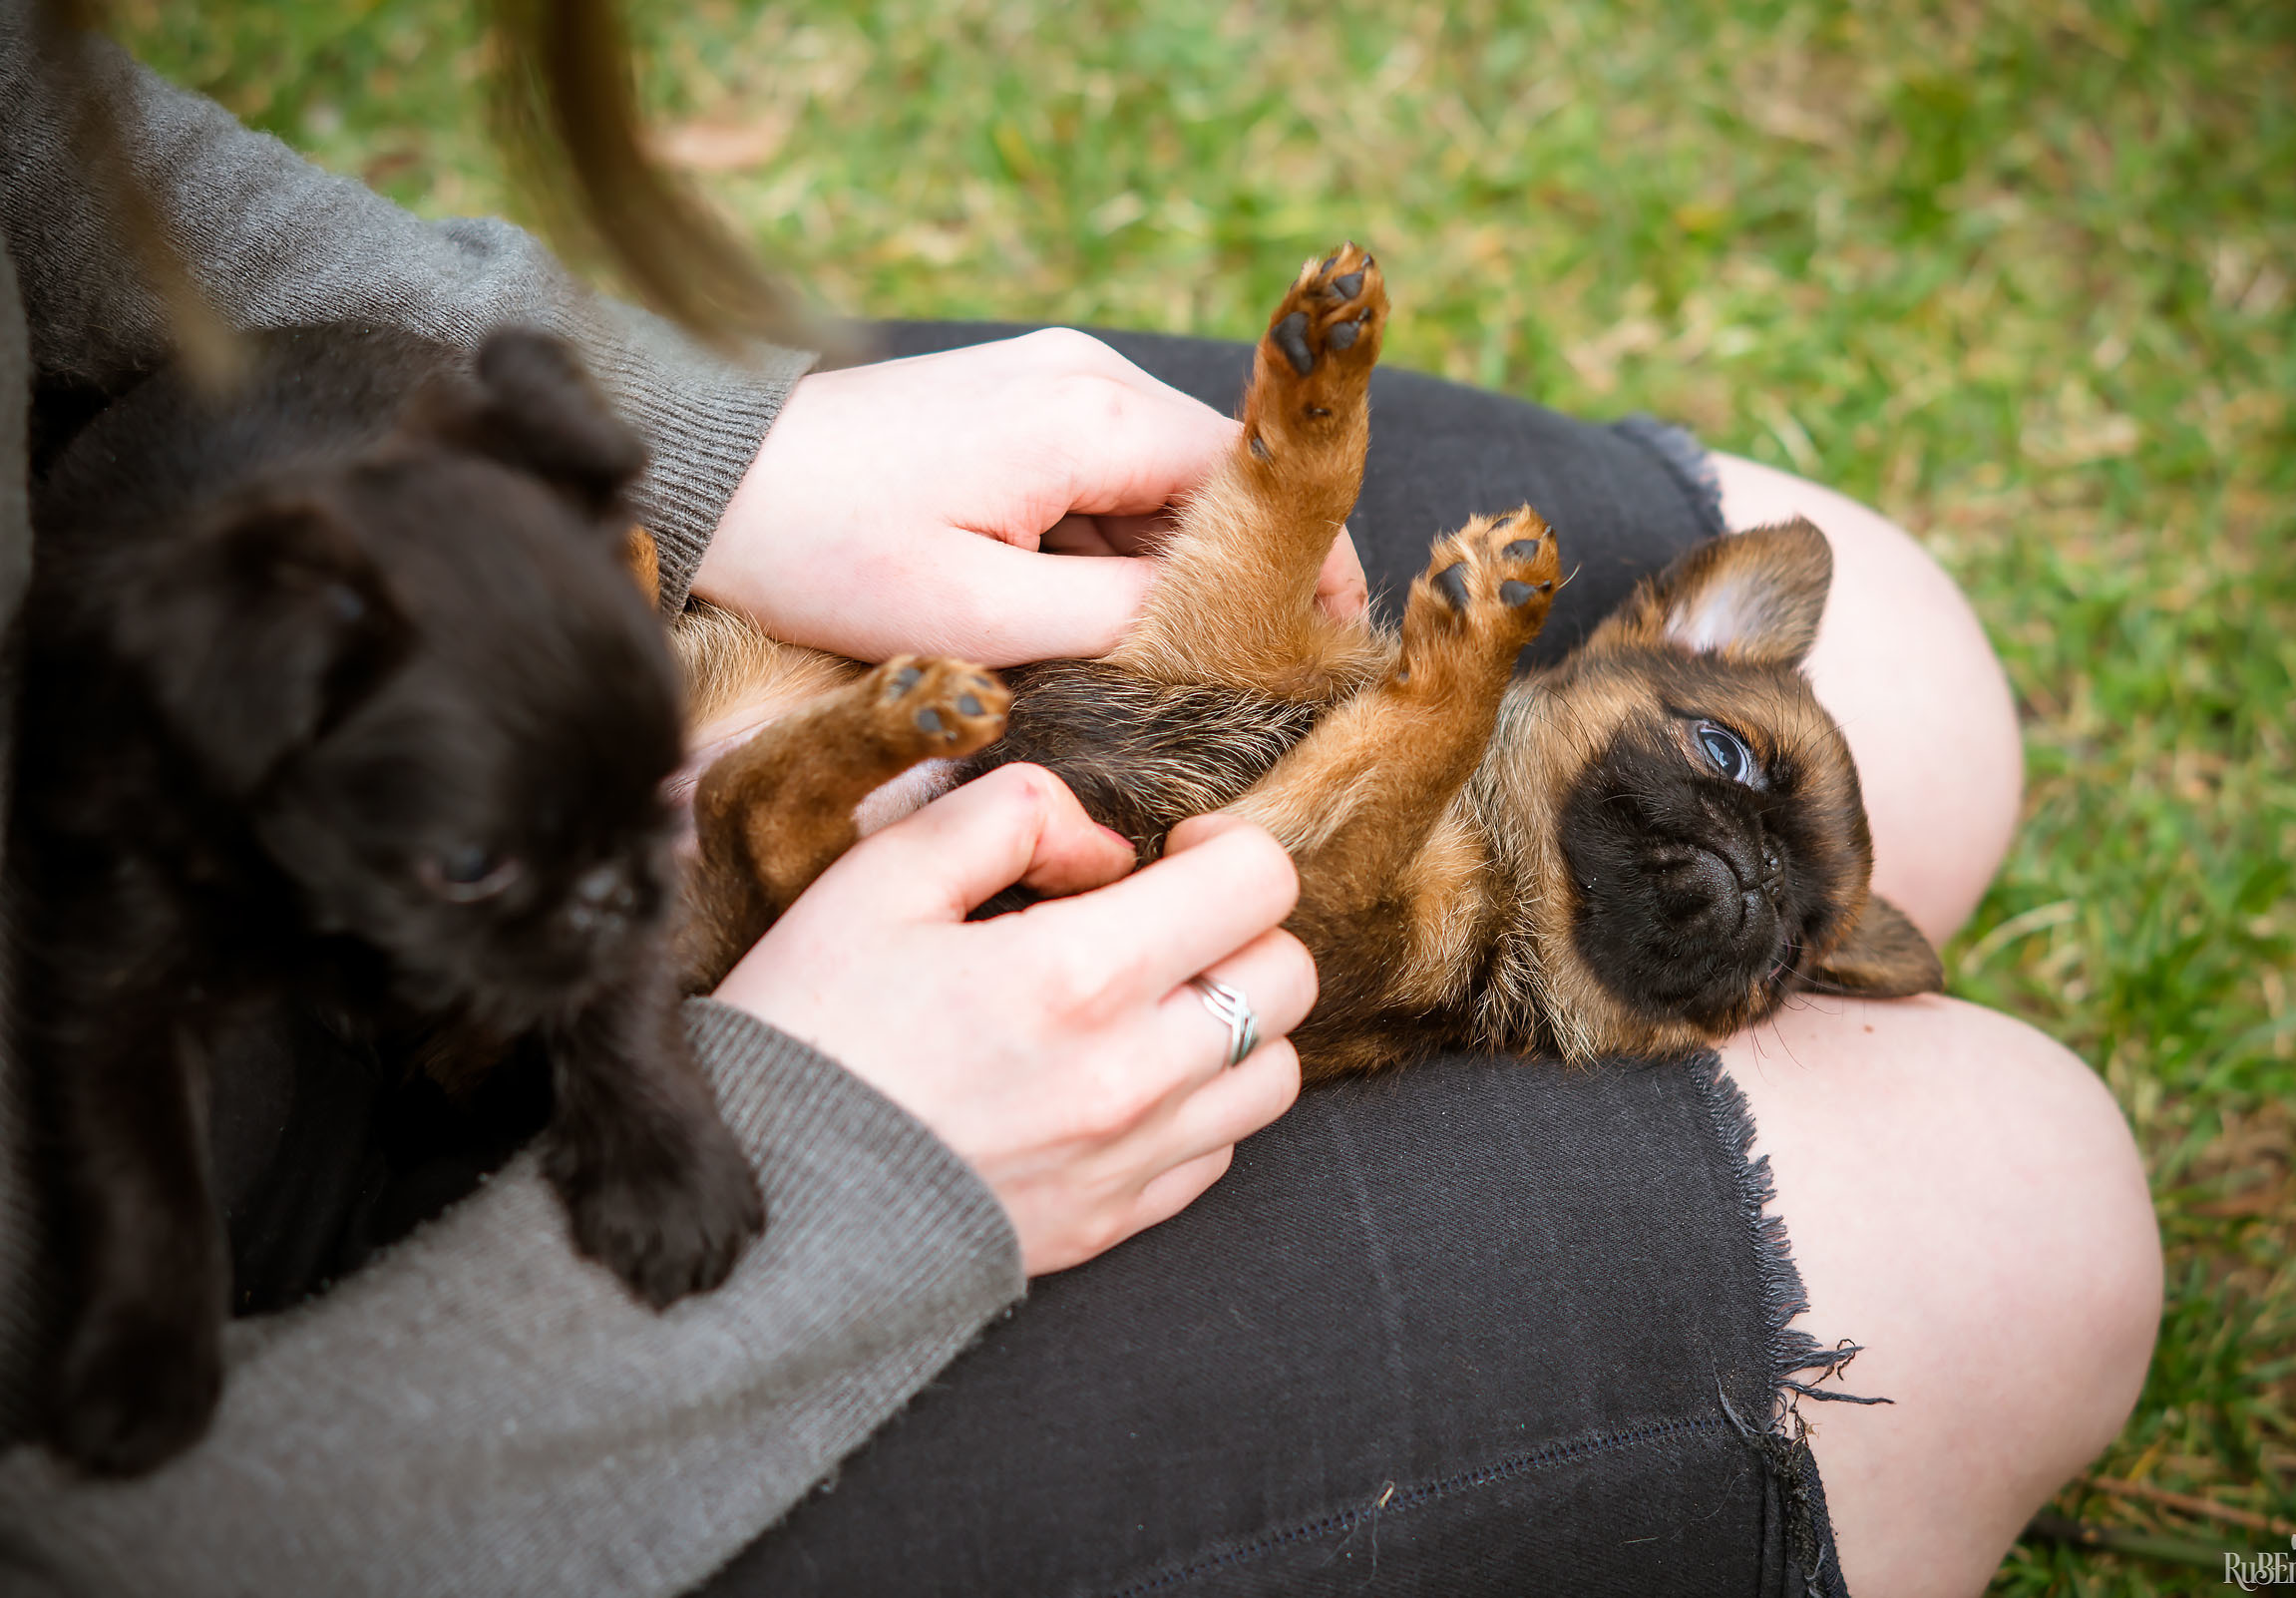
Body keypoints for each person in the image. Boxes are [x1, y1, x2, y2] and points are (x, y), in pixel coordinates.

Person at [0, 6, 2163, 1596]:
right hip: (294, 1345)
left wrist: (711, 450)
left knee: (1927, 683)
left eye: (1776, 923)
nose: (1724, 867)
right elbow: (1280, 859)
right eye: (1719, 774)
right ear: (1658, 643)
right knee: (2025, 1217)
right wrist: (849, 1166)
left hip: (441, 628)